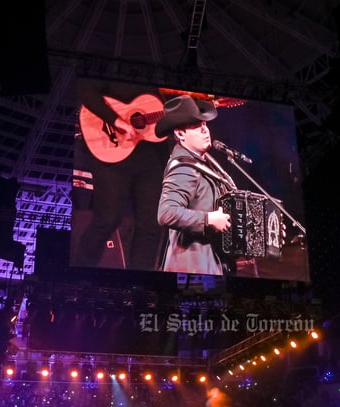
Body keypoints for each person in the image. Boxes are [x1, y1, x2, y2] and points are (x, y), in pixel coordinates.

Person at [73, 78, 169, 271]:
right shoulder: (115, 62)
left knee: (151, 225)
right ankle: (80, 272)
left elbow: (164, 111)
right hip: (111, 148)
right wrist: (117, 121)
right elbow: (85, 88)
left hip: (150, 153)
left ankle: (136, 285)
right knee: (107, 219)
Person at [155, 94, 238, 275]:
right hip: (193, 268)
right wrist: (208, 220)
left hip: (207, 264)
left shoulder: (203, 162)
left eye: (204, 124)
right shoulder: (183, 168)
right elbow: (166, 213)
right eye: (196, 126)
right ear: (180, 133)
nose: (205, 130)